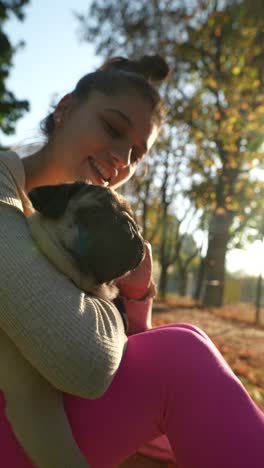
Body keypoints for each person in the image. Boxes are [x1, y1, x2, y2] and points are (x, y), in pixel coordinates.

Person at [0, 55, 263, 468]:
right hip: (24, 425)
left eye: (137, 154)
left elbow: (125, 350)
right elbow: (85, 363)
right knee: (182, 357)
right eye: (113, 128)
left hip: (41, 421)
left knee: (184, 341)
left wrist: (137, 295)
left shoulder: (63, 223)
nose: (123, 157)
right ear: (65, 109)